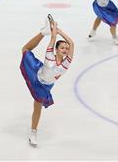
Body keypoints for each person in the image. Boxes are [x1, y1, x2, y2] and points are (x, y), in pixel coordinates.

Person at [20, 15, 74, 146]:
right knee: (25, 50)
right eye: (62, 48)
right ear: (56, 50)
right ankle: (43, 32)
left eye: (66, 49)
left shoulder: (66, 63)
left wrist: (60, 31)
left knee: (37, 105)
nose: (65, 50)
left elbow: (72, 43)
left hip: (44, 86)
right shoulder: (50, 56)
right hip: (36, 73)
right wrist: (53, 30)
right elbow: (53, 38)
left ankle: (33, 132)